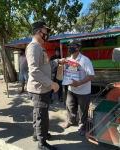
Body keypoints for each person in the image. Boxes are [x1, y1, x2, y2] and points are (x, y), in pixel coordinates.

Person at [26, 21, 65, 150]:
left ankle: (37, 134)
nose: (47, 35)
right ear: (39, 32)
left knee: (38, 113)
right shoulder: (33, 47)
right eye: (46, 32)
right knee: (42, 116)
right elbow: (34, 71)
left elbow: (45, 65)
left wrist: (58, 61)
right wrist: (51, 83)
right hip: (39, 89)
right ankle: (42, 144)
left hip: (41, 88)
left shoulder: (40, 47)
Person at [61, 40, 95, 136]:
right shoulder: (68, 59)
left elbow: (91, 75)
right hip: (71, 89)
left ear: (79, 48)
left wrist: (79, 83)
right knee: (70, 106)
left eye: (73, 46)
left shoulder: (85, 60)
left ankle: (82, 126)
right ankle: (71, 121)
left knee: (83, 110)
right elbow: (66, 73)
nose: (70, 47)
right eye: (69, 46)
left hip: (83, 90)